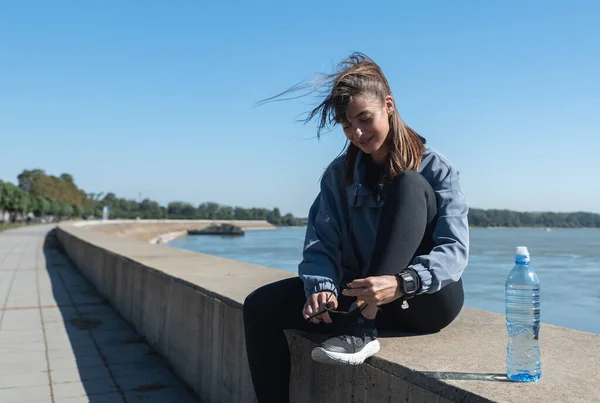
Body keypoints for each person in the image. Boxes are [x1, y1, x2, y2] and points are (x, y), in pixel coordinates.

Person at [243, 53, 469, 403]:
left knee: (407, 183)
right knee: (259, 306)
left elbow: (454, 249)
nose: (358, 134)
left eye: (365, 119)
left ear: (388, 106)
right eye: (347, 126)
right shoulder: (338, 174)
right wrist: (322, 287)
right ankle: (357, 320)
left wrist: (403, 282)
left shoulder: (435, 167)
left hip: (422, 300)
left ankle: (362, 325)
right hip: (356, 297)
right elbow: (321, 239)